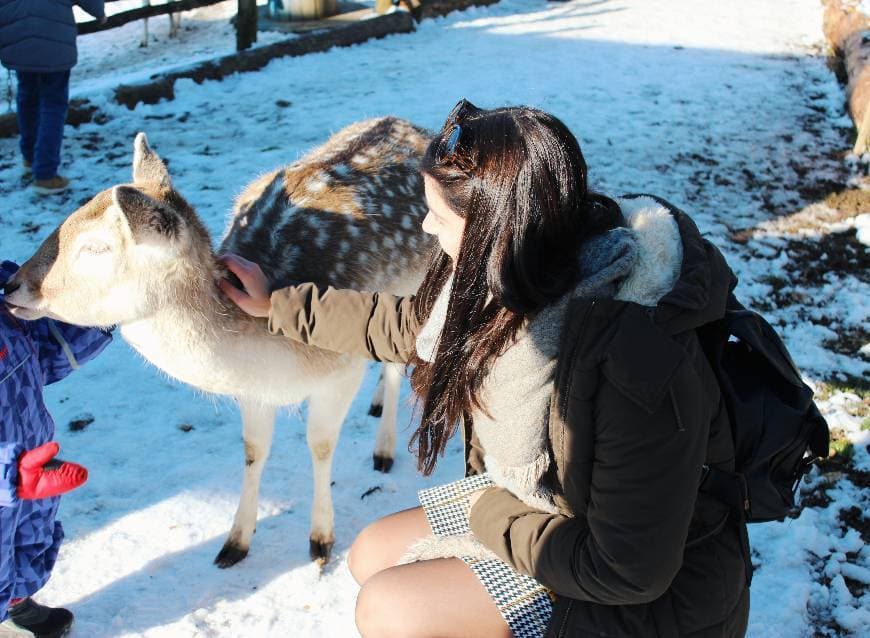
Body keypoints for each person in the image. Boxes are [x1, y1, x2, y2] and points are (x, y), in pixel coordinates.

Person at [220, 101, 750, 637]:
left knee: (390, 608)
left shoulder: (636, 364)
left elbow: (625, 571)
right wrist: (280, 306)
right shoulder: (529, 265)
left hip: (645, 591)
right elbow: (412, 327)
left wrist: (490, 513)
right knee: (370, 554)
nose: (427, 228)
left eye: (441, 218)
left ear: (496, 227)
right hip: (542, 506)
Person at [1, 260, 112, 637]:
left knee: (27, 541)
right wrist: (7, 476)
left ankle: (15, 603)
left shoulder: (5, 295)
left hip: (33, 465)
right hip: (13, 474)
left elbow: (42, 356)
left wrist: (100, 312)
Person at [0, 1, 107, 194]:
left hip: (19, 39)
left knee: (27, 97)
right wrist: (99, 13)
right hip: (54, 41)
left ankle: (30, 157)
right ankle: (46, 174)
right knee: (53, 104)